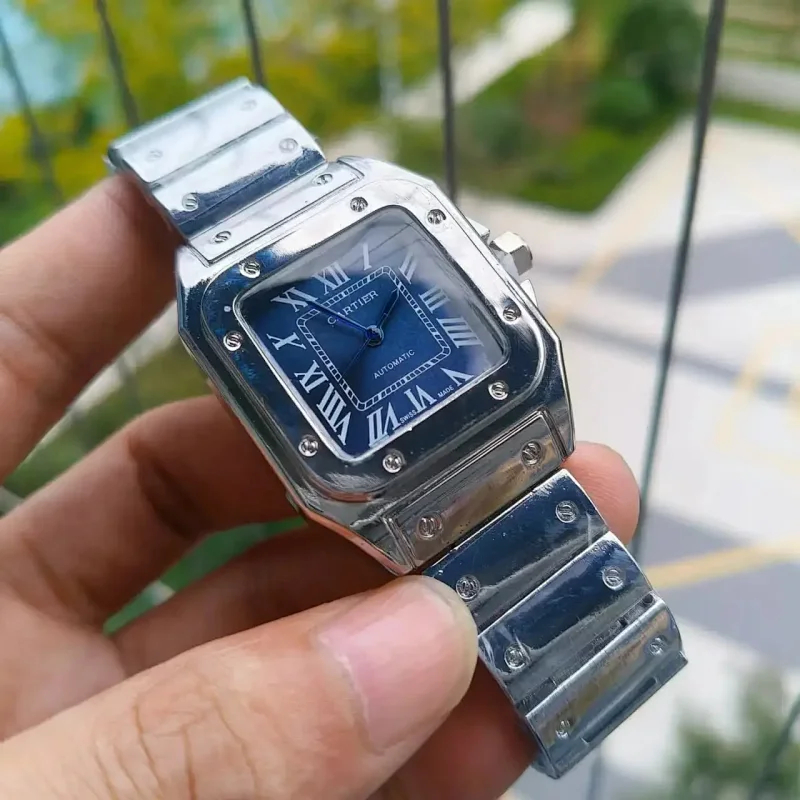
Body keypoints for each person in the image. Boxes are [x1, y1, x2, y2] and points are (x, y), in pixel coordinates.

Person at [0, 177, 640, 799]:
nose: (373, 336)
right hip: (423, 492)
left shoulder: (380, 200)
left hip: (506, 430)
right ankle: (607, 674)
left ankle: (621, 665)